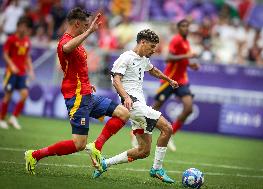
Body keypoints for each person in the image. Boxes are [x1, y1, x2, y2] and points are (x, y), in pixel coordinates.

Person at [24, 7, 130, 175]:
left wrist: (88, 84)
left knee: (123, 113)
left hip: (87, 93)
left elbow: (77, 67)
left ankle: (96, 146)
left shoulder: (78, 42)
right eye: (85, 25)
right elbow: (66, 49)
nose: (88, 28)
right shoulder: (65, 41)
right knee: (78, 144)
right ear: (78, 24)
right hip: (77, 97)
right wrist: (89, 32)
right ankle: (34, 155)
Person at [93, 29, 179, 184]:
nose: (154, 50)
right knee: (167, 128)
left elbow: (153, 70)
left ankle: (104, 164)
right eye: (152, 46)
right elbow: (116, 79)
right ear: (142, 42)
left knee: (143, 151)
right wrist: (126, 97)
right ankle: (157, 169)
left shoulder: (143, 58)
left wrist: (169, 80)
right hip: (134, 105)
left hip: (139, 106)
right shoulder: (126, 57)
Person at [152, 19, 199, 151]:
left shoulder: (186, 42)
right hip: (169, 80)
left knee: (188, 108)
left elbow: (183, 60)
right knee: (154, 109)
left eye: (187, 26)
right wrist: (187, 55)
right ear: (179, 28)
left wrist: (191, 64)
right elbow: (169, 58)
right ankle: (136, 132)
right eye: (183, 26)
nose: (186, 28)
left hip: (182, 81)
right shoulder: (176, 40)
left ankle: (170, 135)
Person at [0, 17, 34, 130]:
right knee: (8, 96)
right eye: (22, 26)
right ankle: (1, 119)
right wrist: (12, 65)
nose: (24, 28)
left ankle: (13, 118)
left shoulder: (27, 41)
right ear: (18, 27)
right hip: (11, 72)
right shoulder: (11, 39)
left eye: (25, 26)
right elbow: (5, 54)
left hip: (22, 73)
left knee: (24, 95)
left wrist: (31, 70)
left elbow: (27, 57)